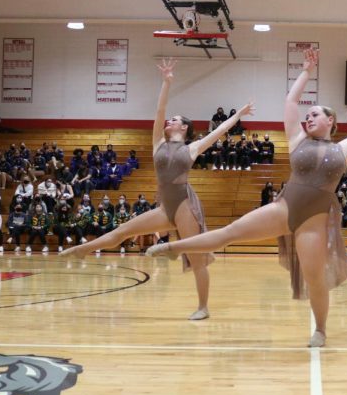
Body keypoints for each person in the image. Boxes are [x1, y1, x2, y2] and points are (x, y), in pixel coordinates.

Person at [148, 49, 347, 346]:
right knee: (229, 233)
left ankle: (320, 329)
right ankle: (174, 246)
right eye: (307, 115)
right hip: (284, 208)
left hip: (314, 222)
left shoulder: (344, 149)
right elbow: (291, 102)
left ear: (331, 120)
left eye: (315, 114)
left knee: (315, 279)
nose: (307, 117)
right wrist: (306, 71)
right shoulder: (296, 138)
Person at [63, 59, 253, 321]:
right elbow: (159, 109)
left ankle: (203, 306)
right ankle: (83, 249)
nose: (169, 120)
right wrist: (167, 82)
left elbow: (220, 131)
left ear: (184, 127)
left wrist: (238, 115)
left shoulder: (192, 148)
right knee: (122, 231)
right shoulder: (157, 143)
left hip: (186, 204)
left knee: (197, 259)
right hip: (166, 206)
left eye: (174, 119)